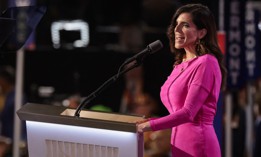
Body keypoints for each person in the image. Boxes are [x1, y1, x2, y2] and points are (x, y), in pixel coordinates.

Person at [136, 3, 227, 157]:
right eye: (176, 25)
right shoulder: (180, 65)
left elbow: (188, 113)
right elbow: (175, 112)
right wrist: (145, 121)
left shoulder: (206, 63)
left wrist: (150, 125)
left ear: (202, 32)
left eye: (185, 25)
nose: (176, 30)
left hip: (198, 144)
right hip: (178, 144)